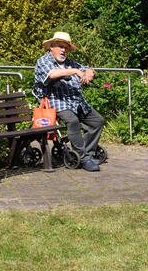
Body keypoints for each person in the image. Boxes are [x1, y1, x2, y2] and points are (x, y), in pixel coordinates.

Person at [33, 31, 105, 172]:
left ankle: (87, 152)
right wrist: (76, 72)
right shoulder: (43, 61)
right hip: (56, 102)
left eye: (66, 47)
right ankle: (83, 158)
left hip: (77, 101)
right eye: (60, 46)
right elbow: (52, 74)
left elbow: (87, 69)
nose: (63, 50)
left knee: (98, 120)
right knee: (72, 121)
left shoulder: (70, 63)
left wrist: (90, 73)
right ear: (51, 47)